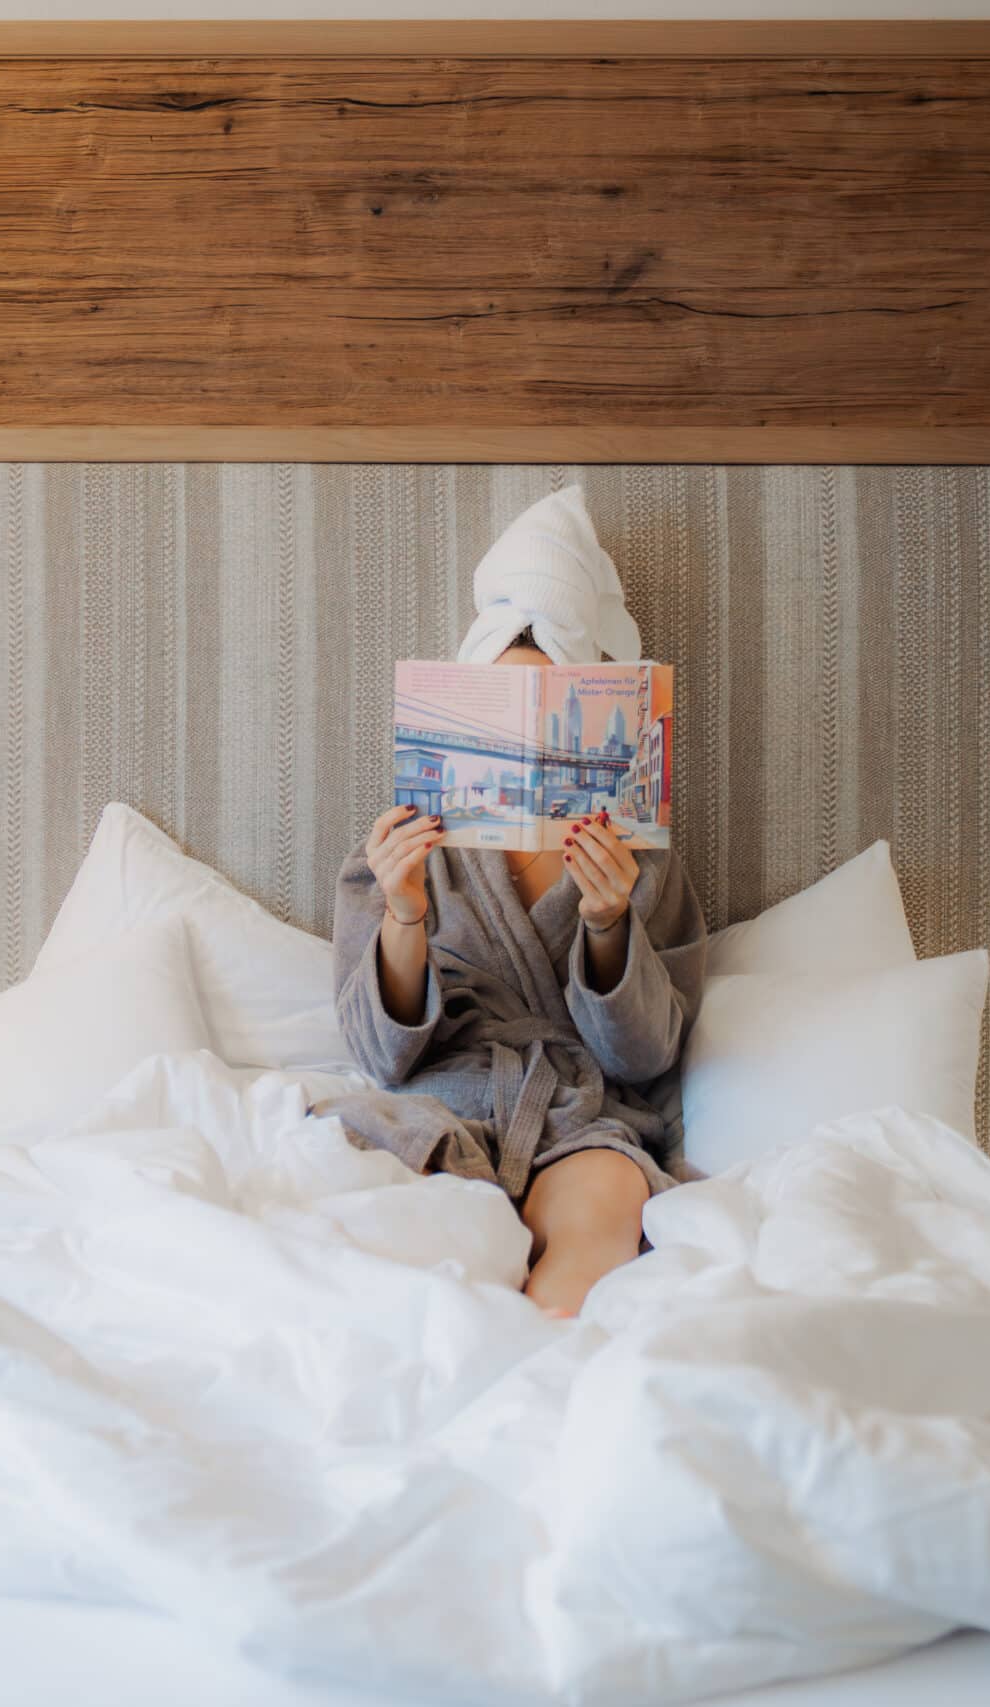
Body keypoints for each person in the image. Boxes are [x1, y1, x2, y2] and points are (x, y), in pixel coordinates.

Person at [322, 488, 705, 1317]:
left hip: (577, 1119)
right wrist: (405, 913)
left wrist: (608, 925)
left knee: (605, 1207)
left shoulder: (636, 859)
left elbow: (647, 1058)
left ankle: (543, 1385)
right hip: (438, 1108)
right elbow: (377, 1056)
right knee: (396, 1238)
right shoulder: (398, 850)